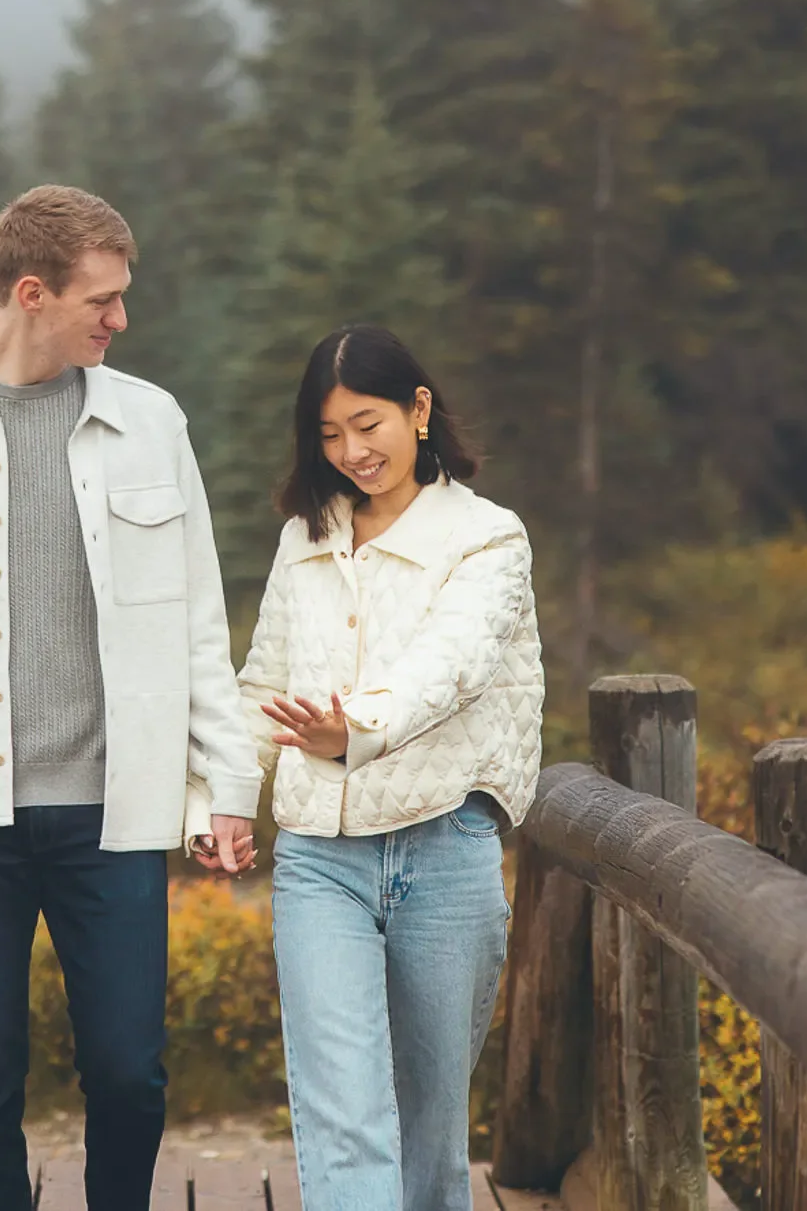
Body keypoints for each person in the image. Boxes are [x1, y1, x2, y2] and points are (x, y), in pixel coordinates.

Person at [0, 185, 263, 1211]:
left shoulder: (152, 422)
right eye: (101, 301)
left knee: (127, 1070)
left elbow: (197, 617)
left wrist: (225, 785)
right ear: (32, 293)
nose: (120, 321)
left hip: (114, 809)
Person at [193, 323, 544, 1209]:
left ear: (418, 409)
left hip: (445, 848)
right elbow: (262, 681)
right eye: (329, 433)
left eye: (368, 423)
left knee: (430, 1130)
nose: (351, 451)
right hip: (319, 861)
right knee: (344, 1112)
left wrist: (354, 730)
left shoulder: (488, 539)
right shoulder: (303, 537)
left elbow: (450, 668)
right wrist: (226, 799)